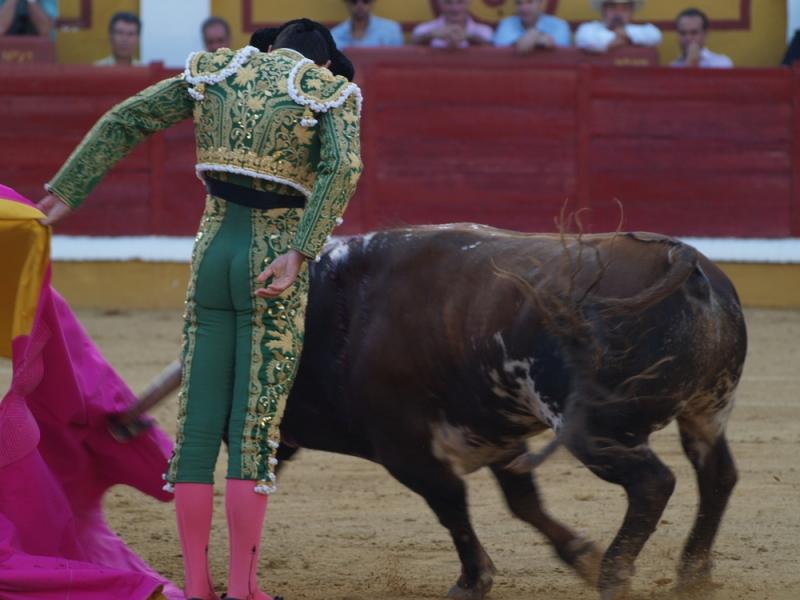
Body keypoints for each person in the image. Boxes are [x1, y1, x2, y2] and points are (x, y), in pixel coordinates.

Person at [37, 17, 362, 600]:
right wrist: (302, 250)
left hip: (212, 253)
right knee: (253, 428)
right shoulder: (326, 88)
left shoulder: (216, 70)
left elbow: (126, 118)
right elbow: (343, 167)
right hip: (270, 261)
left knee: (197, 428)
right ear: (321, 60)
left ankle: (198, 586)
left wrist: (66, 190)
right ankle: (241, 590)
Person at [575, 0, 661, 53]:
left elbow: (655, 36)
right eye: (613, 8)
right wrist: (623, 39)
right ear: (603, 11)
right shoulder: (589, 29)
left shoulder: (640, 30)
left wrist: (626, 34)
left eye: (624, 9)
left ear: (631, 13)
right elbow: (588, 41)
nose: (618, 13)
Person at [493, 0, 571, 52]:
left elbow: (560, 53)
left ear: (541, 4)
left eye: (529, 2)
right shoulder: (507, 23)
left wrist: (532, 37)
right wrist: (535, 36)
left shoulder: (559, 25)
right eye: (519, 3)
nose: (523, 8)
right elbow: (499, 49)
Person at [410, 0, 493, 49]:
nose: (455, 8)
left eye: (460, 2)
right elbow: (410, 52)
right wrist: (430, 35)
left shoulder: (484, 32)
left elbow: (493, 54)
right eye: (448, 2)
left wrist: (470, 37)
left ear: (469, 2)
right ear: (439, 3)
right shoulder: (423, 30)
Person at [331, 0, 403, 48]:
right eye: (354, 1)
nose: (360, 6)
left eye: (365, 1)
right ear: (346, 3)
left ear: (372, 2)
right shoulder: (335, 35)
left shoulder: (391, 30)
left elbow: (397, 65)